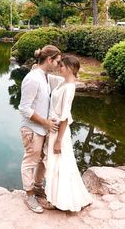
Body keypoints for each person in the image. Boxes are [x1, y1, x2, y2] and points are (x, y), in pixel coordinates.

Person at [44, 55, 93, 212]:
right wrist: (40, 59)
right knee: (57, 163)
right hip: (53, 128)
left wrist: (59, 140)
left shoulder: (70, 87)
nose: (60, 68)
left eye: (62, 66)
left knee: (61, 163)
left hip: (59, 131)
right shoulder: (62, 82)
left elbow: (65, 116)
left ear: (71, 68)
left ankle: (62, 200)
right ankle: (57, 198)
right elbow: (46, 75)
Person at [19, 45, 63, 214]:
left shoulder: (44, 76)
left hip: (42, 128)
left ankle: (38, 188)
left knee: (42, 160)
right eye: (57, 62)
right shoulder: (33, 78)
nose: (58, 65)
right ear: (49, 60)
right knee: (30, 161)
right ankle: (29, 194)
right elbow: (24, 108)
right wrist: (45, 122)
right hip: (32, 129)